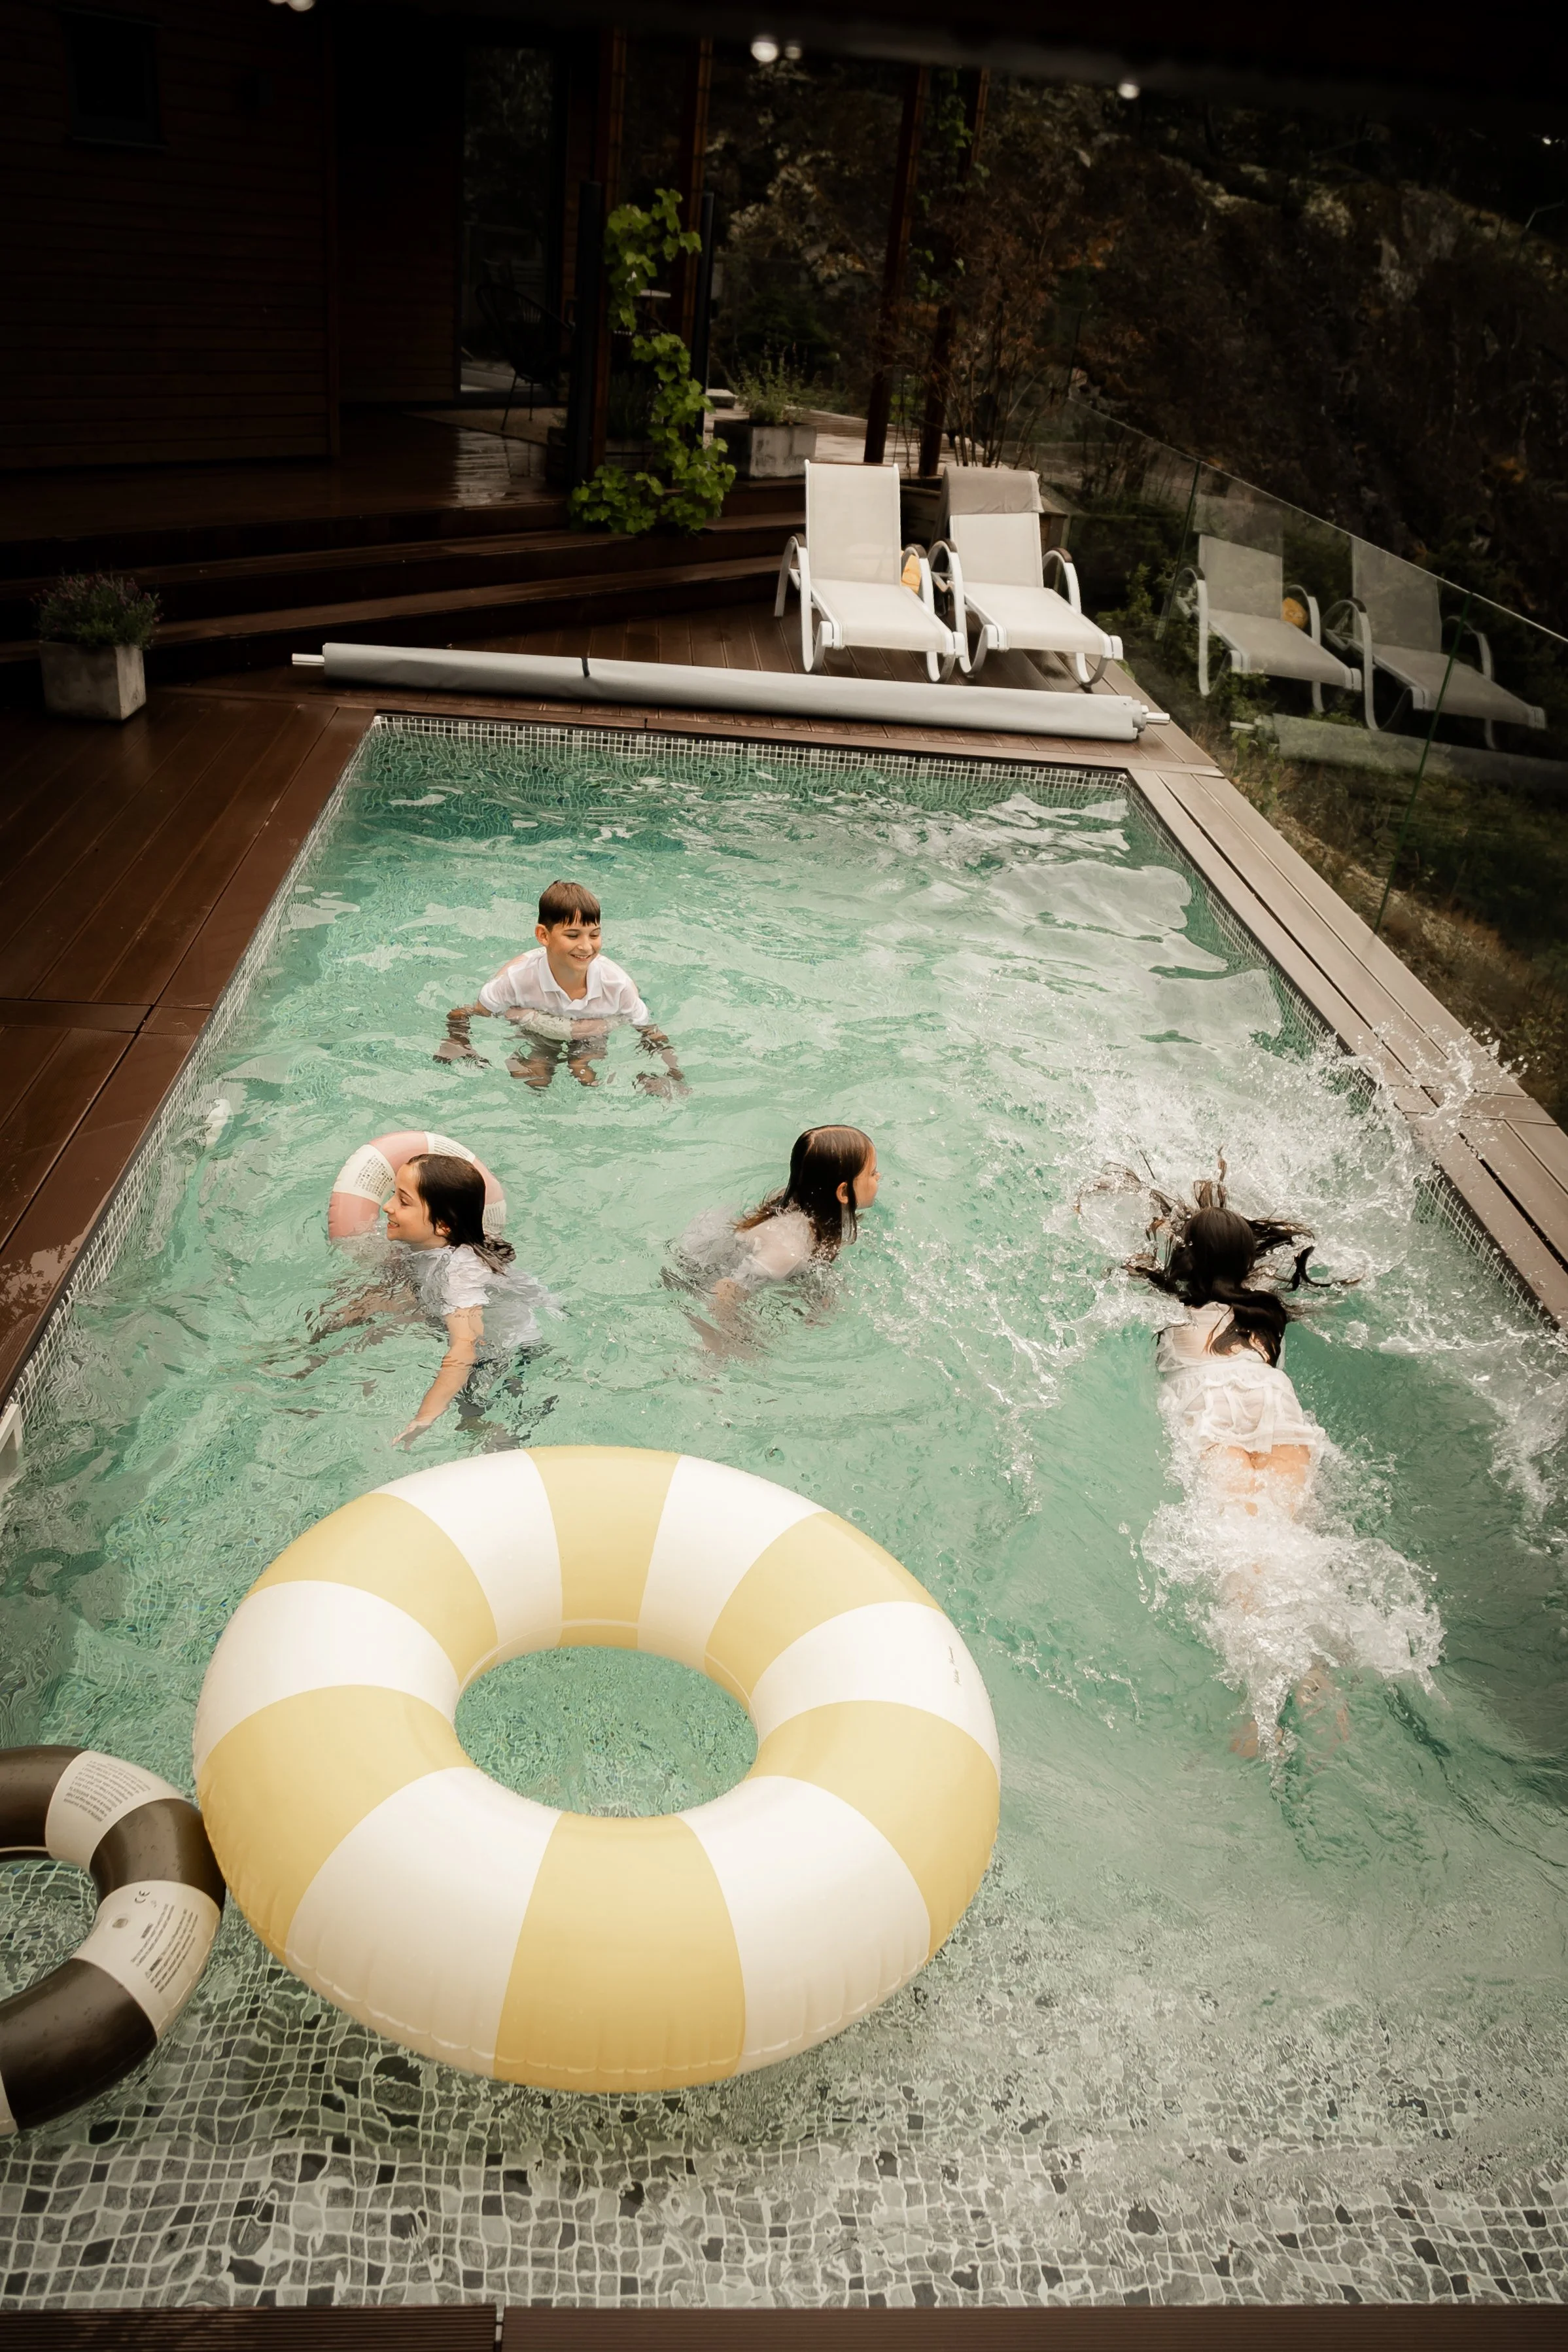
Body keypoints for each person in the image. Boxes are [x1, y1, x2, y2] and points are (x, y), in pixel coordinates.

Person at [437, 877, 684, 1095]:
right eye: (573, 936)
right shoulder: (517, 980)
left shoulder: (617, 985)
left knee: (585, 1073)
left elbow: (649, 1031)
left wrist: (673, 1072)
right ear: (544, 936)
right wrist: (458, 1042)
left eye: (595, 935)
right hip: (538, 1030)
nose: (587, 947)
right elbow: (466, 1012)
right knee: (534, 1077)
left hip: (593, 1032)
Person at [380, 1152, 558, 1447]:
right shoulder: (451, 1241)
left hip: (514, 1354)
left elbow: (465, 1348)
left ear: (443, 1226)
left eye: (403, 1201)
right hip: (516, 1332)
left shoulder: (458, 1274)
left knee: (476, 1423)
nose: (387, 1207)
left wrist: (424, 1417)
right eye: (391, 1195)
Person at [674, 1127, 880, 1325]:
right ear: (843, 1193)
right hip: (698, 1276)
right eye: (872, 1173)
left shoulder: (804, 1205)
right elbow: (725, 1292)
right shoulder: (789, 1251)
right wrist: (730, 1341)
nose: (878, 1177)